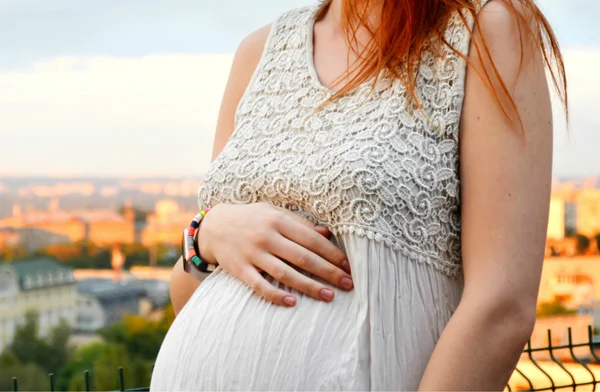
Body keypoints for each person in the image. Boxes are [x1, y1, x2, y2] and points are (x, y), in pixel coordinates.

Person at [151, 0, 567, 389]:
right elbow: (190, 294)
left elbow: (502, 306)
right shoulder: (257, 53)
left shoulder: (486, 29)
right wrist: (207, 235)